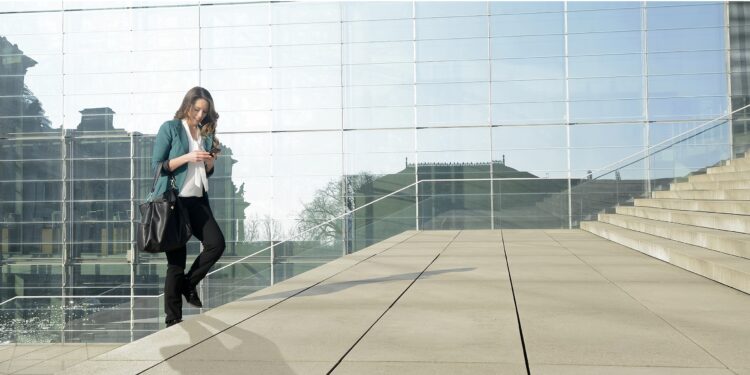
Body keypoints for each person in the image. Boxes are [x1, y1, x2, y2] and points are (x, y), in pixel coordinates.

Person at [150, 86, 225, 327]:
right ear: (188, 105)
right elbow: (158, 165)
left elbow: (207, 171)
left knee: (216, 244)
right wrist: (187, 157)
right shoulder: (170, 128)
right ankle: (173, 319)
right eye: (197, 109)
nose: (201, 115)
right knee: (176, 263)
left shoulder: (206, 132)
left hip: (198, 198)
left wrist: (210, 161)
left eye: (205, 111)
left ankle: (188, 284)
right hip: (175, 200)